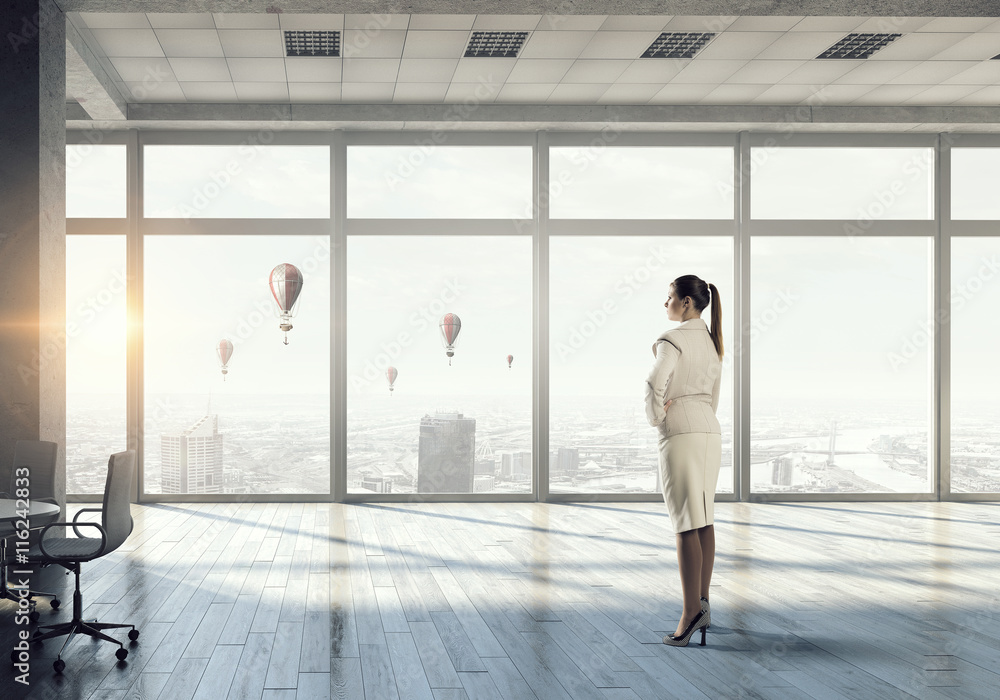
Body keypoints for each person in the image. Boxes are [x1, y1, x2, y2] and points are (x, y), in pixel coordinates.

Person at [644, 275, 723, 647]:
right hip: (709, 429)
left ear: (687, 303)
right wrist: (701, 415)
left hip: (682, 432)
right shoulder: (712, 342)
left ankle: (690, 613)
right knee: (703, 518)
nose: (667, 304)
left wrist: (658, 417)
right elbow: (714, 394)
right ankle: (703, 602)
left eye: (670, 297)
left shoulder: (671, 339)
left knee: (684, 524)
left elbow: (653, 381)